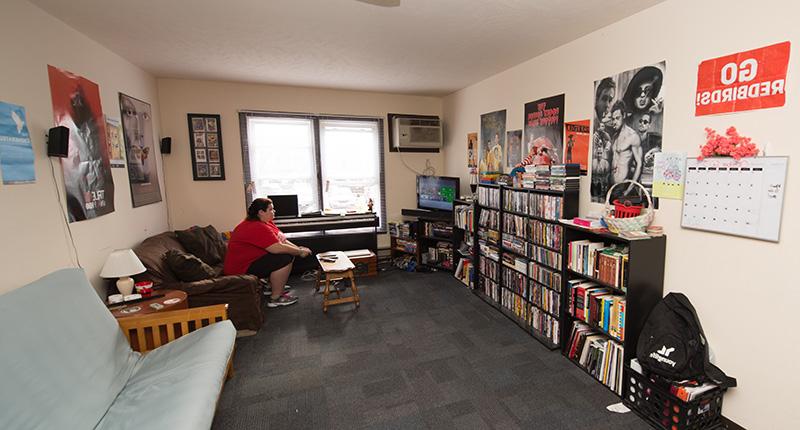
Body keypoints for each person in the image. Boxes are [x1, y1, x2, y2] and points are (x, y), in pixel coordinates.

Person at [223, 198, 312, 307]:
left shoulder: (266, 223)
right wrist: (299, 252)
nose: (274, 211)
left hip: (251, 261)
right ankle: (276, 298)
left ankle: (272, 286)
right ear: (261, 212)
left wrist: (299, 249)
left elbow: (282, 240)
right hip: (240, 269)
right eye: (270, 209)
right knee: (285, 257)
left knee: (288, 253)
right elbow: (277, 248)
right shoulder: (255, 226)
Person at [608, 100, 642, 197]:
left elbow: (639, 165)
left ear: (624, 116)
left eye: (617, 118)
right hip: (611, 186)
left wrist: (628, 190)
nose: (614, 122)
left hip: (623, 187)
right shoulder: (614, 137)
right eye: (613, 119)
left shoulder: (632, 136)